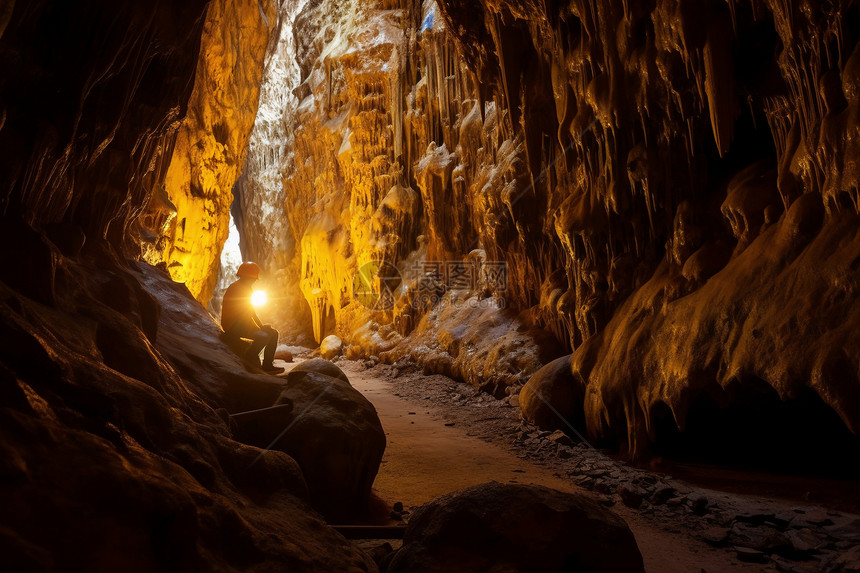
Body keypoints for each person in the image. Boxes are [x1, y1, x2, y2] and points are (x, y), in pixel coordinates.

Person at [221, 261, 284, 374]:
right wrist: (260, 328)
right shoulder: (237, 288)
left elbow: (250, 312)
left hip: (240, 324)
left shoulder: (245, 288)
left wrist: (261, 327)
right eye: (253, 278)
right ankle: (250, 356)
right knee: (265, 335)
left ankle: (267, 365)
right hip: (233, 327)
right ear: (247, 277)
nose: (255, 280)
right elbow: (247, 312)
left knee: (273, 333)